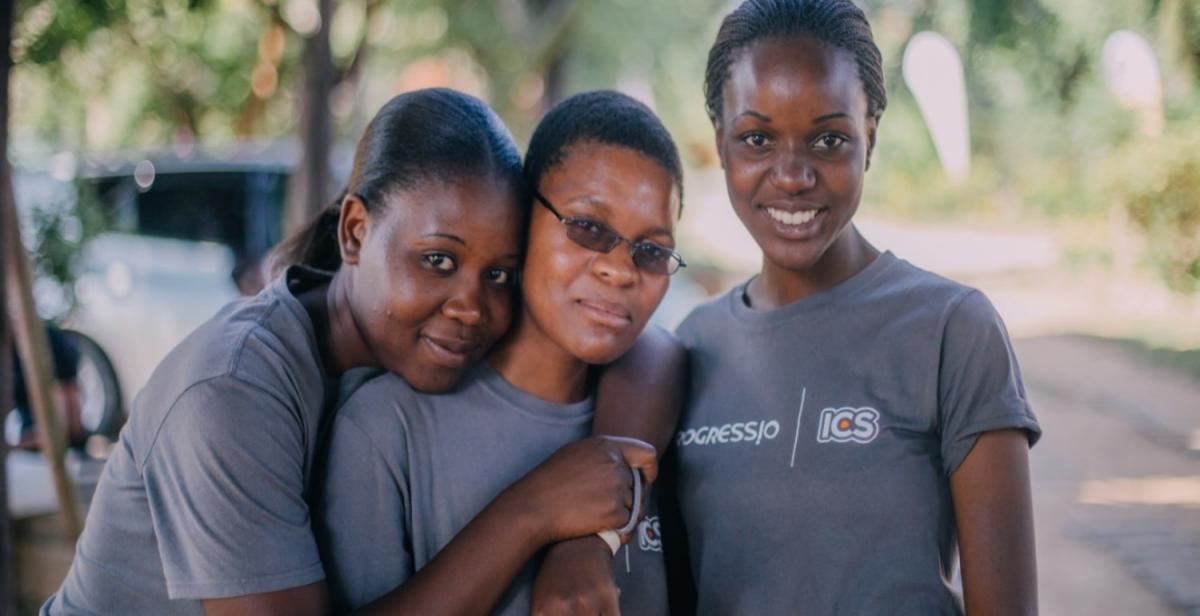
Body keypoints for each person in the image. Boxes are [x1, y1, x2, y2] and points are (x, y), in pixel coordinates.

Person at [45, 88, 672, 616]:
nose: (470, 307)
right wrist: (532, 510)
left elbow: (649, 354)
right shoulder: (232, 391)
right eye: (437, 260)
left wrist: (590, 535)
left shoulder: (420, 344)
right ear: (355, 232)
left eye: (499, 274)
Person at [665, 1, 1041, 614]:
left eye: (828, 139)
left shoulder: (952, 330)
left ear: (869, 139)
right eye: (757, 138)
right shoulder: (691, 345)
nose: (791, 175)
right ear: (721, 145)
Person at [315, 90, 687, 615]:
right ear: (521, 217)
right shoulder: (385, 428)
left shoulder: (658, 411)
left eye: (652, 250)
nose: (621, 270)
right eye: (588, 228)